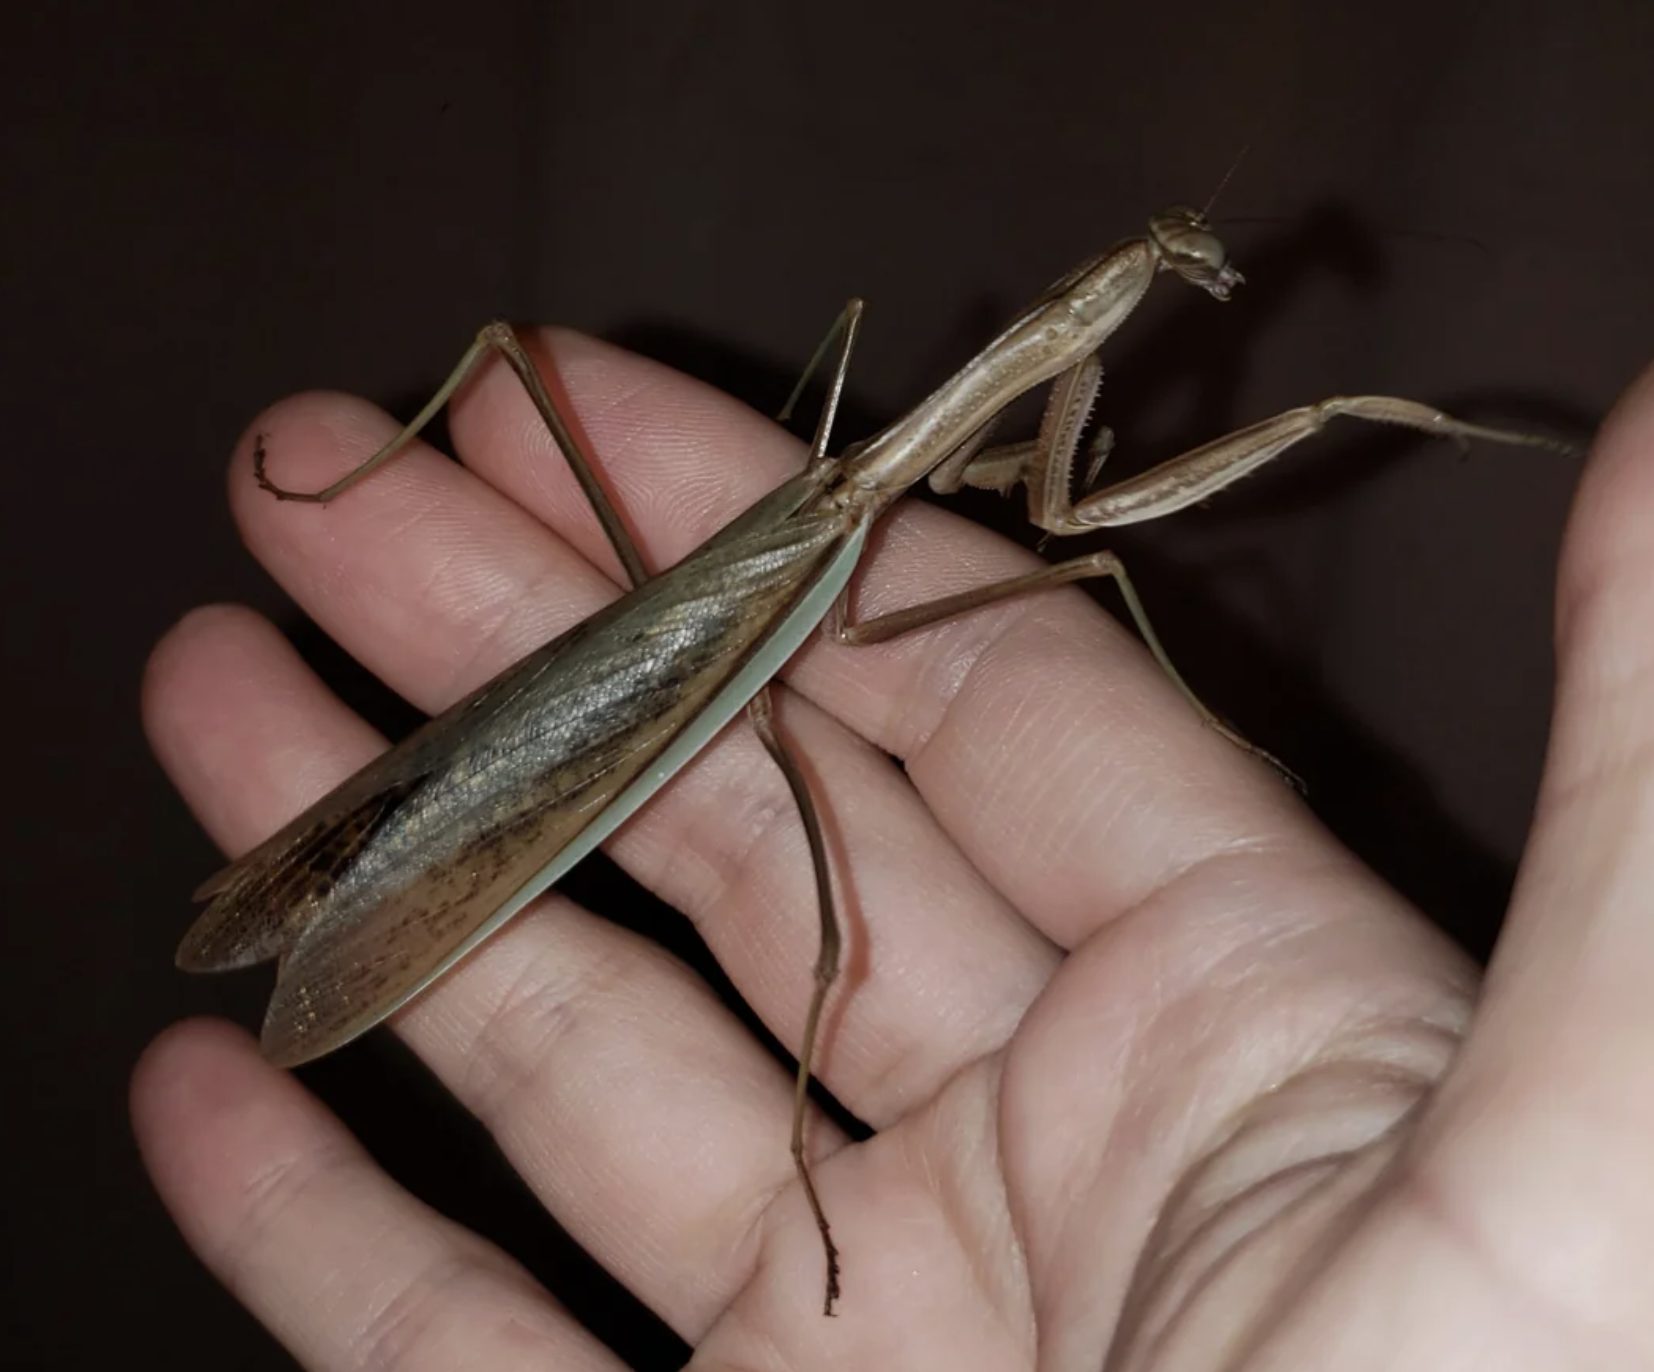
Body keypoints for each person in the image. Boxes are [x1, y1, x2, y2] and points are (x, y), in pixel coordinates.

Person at [133, 331, 1654, 1369]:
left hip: (717, 605)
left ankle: (338, 813)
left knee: (521, 371)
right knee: (1073, 578)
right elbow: (1072, 527)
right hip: (670, 658)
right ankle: (791, 1153)